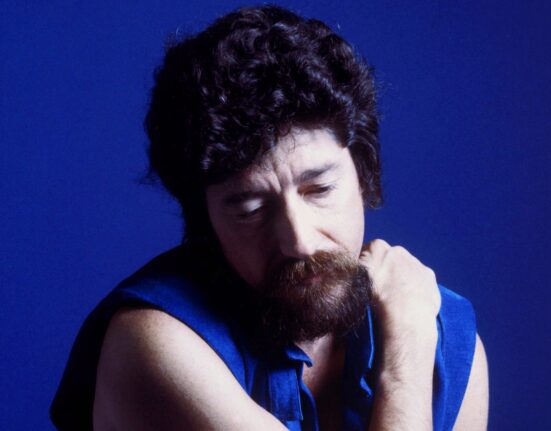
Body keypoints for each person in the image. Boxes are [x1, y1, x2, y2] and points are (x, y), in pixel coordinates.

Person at [50, 5, 488, 431]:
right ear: (206, 222)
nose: (298, 241)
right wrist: (406, 359)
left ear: (364, 177)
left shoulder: (447, 337)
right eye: (250, 209)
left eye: (319, 190)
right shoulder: (155, 343)